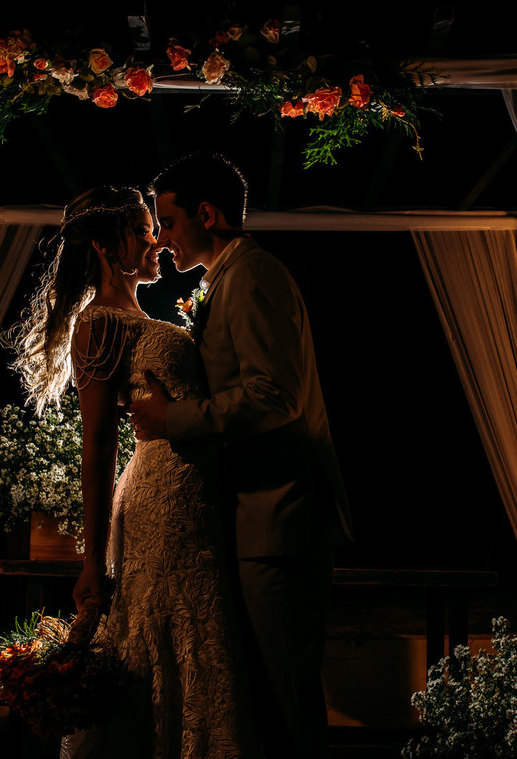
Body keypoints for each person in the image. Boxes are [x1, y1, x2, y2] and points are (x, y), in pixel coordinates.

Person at [11, 186, 253, 759]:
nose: (155, 242)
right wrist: (92, 563)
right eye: (144, 230)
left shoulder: (138, 316)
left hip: (190, 497)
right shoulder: (99, 324)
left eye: (154, 228)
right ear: (104, 245)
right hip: (159, 503)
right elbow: (96, 448)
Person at [128, 153, 354, 759]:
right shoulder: (226, 279)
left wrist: (170, 418)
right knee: (268, 698)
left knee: (288, 698)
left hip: (281, 517)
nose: (163, 237)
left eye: (169, 221)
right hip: (256, 516)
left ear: (208, 213)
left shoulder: (253, 276)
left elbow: (273, 396)